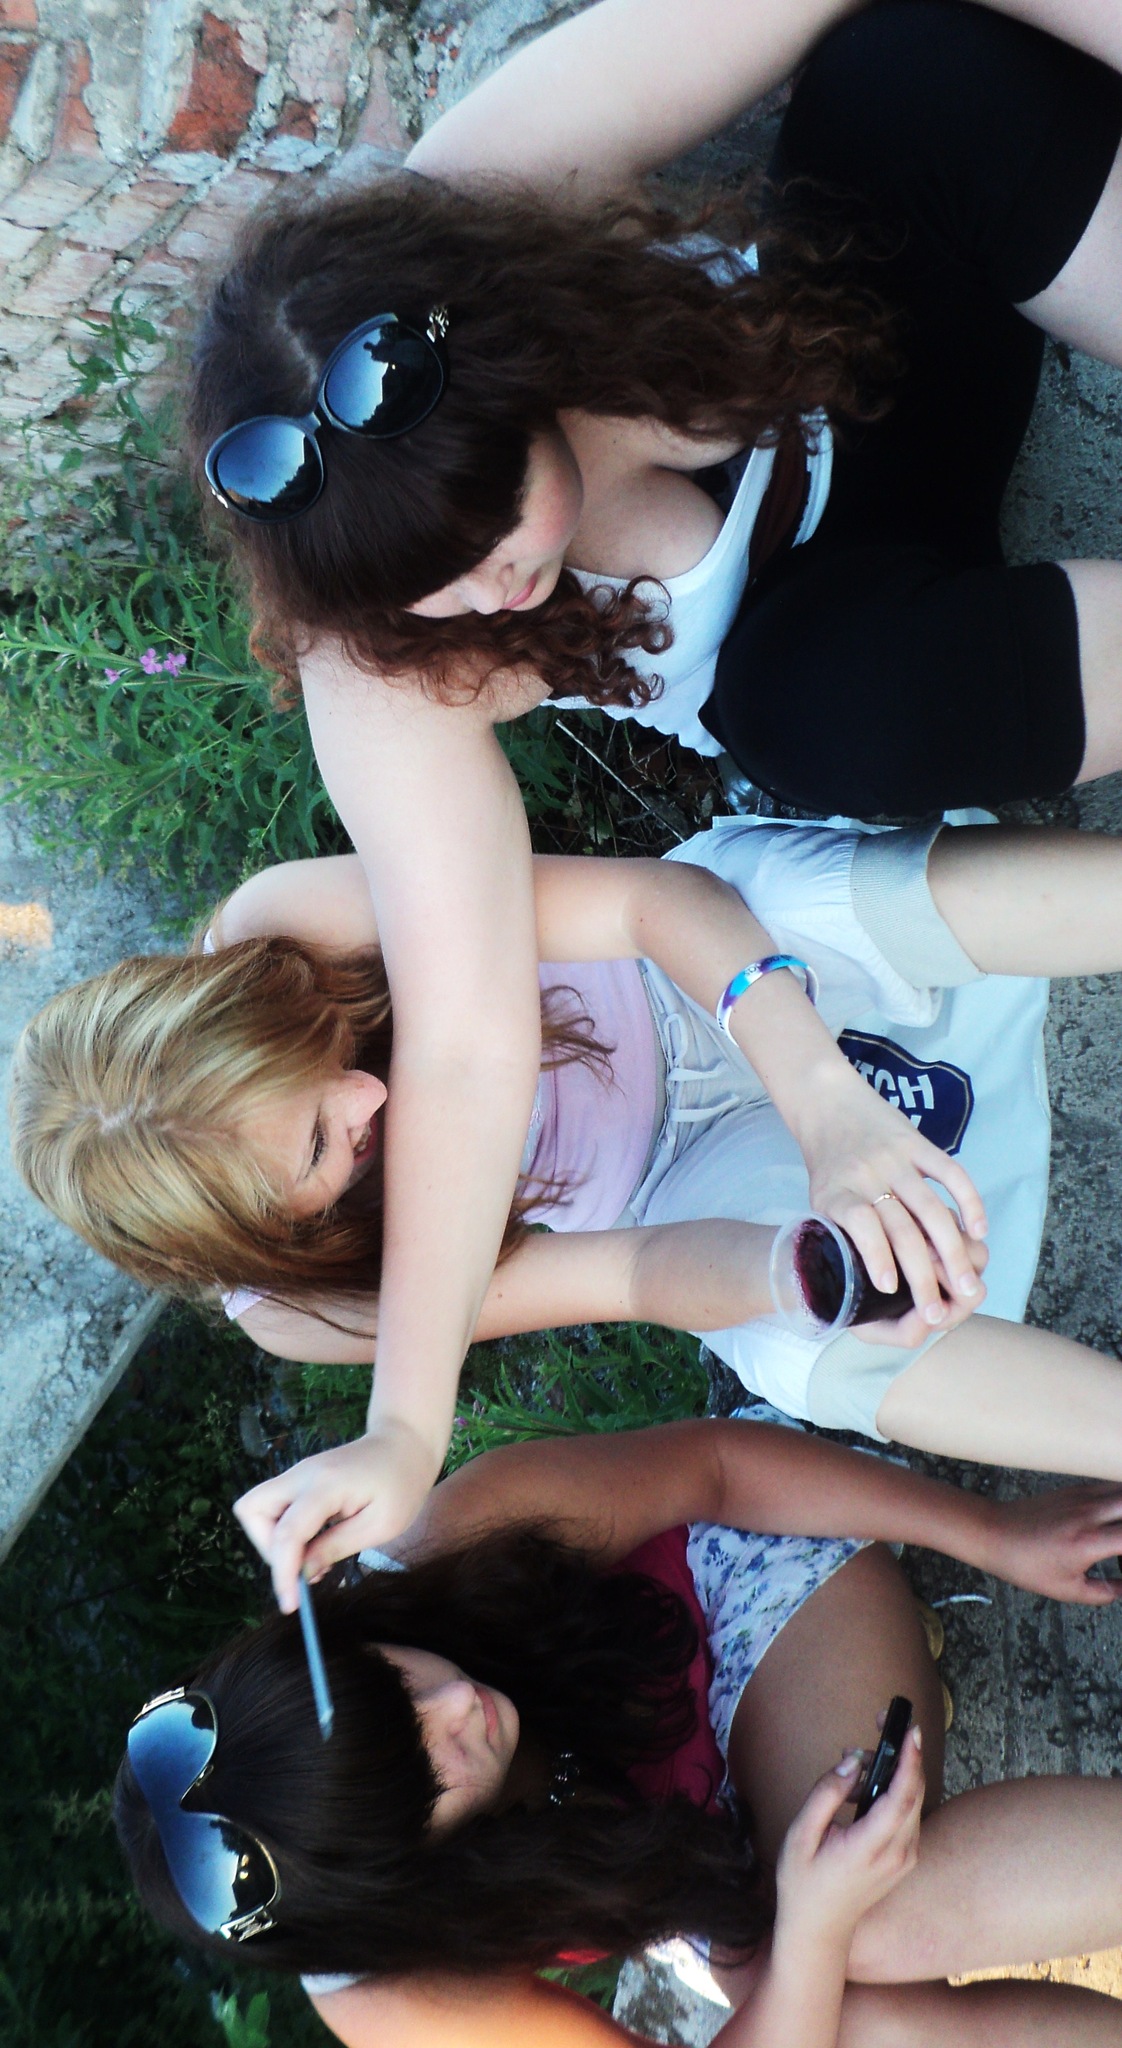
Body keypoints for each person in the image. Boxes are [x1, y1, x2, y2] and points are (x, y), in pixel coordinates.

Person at [180, 0, 1122, 1573]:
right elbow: (467, 1033)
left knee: (903, 72)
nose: (476, 596)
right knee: (825, 715)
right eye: (423, 595)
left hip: (894, 352)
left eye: (490, 529)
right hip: (868, 652)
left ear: (505, 358)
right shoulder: (380, 662)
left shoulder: (475, 206)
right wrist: (405, 1429)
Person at [15, 811, 1122, 1608]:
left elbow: (653, 902)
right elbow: (630, 1273)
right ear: (260, 1235)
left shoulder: (280, 928)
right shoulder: (293, 1307)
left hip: (698, 975)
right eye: (317, 1145)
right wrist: (788, 1271)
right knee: (817, 1349)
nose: (369, 1094)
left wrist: (827, 1104)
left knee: (848, 907)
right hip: (676, 1175)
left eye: (321, 1049)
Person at [115, 1409, 1122, 2047]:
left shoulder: (428, 1554)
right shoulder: (387, 1986)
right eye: (422, 1776)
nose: (455, 1707)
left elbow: (716, 1466)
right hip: (680, 1853)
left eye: (392, 1680)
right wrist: (808, 1931)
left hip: (732, 1597)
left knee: (877, 1923)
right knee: (863, 2020)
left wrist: (993, 1532)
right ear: (393, 1880)